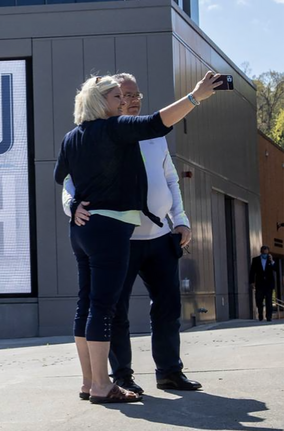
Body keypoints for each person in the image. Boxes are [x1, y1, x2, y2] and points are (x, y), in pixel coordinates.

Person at [54, 71, 221, 404]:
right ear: (101, 102)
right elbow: (158, 122)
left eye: (130, 96)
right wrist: (195, 97)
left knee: (90, 305)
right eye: (118, 96)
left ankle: (95, 381)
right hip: (115, 231)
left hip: (101, 233)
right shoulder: (116, 129)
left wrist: (180, 219)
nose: (126, 101)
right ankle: (108, 382)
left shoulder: (73, 136)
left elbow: (62, 175)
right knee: (105, 308)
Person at [250, 246, 277, 322]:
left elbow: (275, 268)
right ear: (261, 252)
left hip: (269, 284)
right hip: (260, 284)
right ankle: (260, 315)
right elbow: (252, 272)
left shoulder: (270, 260)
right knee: (259, 300)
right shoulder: (256, 260)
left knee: (269, 301)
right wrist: (252, 282)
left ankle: (269, 317)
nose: (265, 254)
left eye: (266, 253)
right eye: (264, 253)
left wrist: (271, 261)